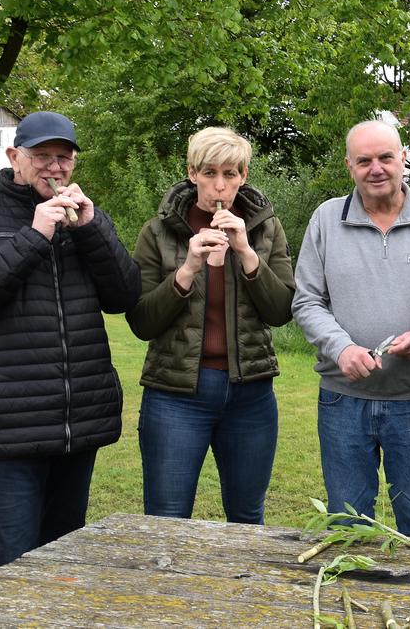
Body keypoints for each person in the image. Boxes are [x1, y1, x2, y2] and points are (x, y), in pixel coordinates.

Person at [0, 111, 141, 572]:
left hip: (77, 420)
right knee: (9, 563)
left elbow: (125, 295)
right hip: (11, 421)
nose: (54, 167)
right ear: (14, 157)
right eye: (42, 156)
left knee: (63, 560)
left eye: (63, 158)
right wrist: (34, 235)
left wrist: (91, 230)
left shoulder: (85, 219)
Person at [292, 120, 410, 538]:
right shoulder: (327, 220)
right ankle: (350, 601)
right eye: (364, 160)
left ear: (404, 159)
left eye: (386, 157)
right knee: (348, 525)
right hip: (343, 401)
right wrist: (340, 348)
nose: (377, 168)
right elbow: (307, 300)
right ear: (349, 166)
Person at [125, 127, 295, 523]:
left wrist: (247, 253)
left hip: (250, 394)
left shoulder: (266, 228)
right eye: (209, 172)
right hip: (176, 394)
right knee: (167, 517)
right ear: (191, 172)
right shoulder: (158, 231)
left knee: (247, 516)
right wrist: (187, 270)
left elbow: (281, 311)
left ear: (244, 176)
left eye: (230, 174)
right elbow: (142, 321)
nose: (220, 185)